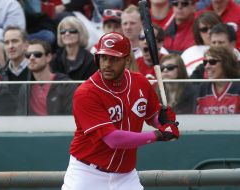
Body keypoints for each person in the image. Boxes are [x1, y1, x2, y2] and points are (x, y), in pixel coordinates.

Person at [61, 32, 179, 190]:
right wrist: (157, 135)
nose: (107, 64)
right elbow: (113, 139)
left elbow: (151, 116)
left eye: (114, 58)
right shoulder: (86, 93)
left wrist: (163, 121)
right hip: (87, 173)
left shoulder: (140, 82)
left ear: (127, 60)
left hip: (125, 175)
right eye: (103, 57)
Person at [16, 39, 77, 115]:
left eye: (37, 54)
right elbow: (21, 116)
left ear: (48, 57)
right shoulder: (25, 88)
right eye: (28, 55)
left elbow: (72, 117)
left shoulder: (66, 85)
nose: (31, 58)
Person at [50, 16, 98, 80]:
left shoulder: (91, 60)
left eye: (72, 30)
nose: (67, 33)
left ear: (80, 33)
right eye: (63, 31)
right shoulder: (55, 59)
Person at [196, 46, 240, 114]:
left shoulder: (238, 87)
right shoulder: (202, 88)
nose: (207, 66)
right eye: (205, 62)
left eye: (212, 62)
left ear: (226, 63)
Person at [181, 11, 221, 76]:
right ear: (198, 33)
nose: (210, 32)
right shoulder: (188, 53)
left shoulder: (230, 50)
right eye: (204, 29)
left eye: (213, 28)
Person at [1, 26, 30, 98]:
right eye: (6, 43)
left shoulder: (36, 70)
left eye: (14, 41)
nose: (10, 46)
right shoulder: (0, 73)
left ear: (26, 45)